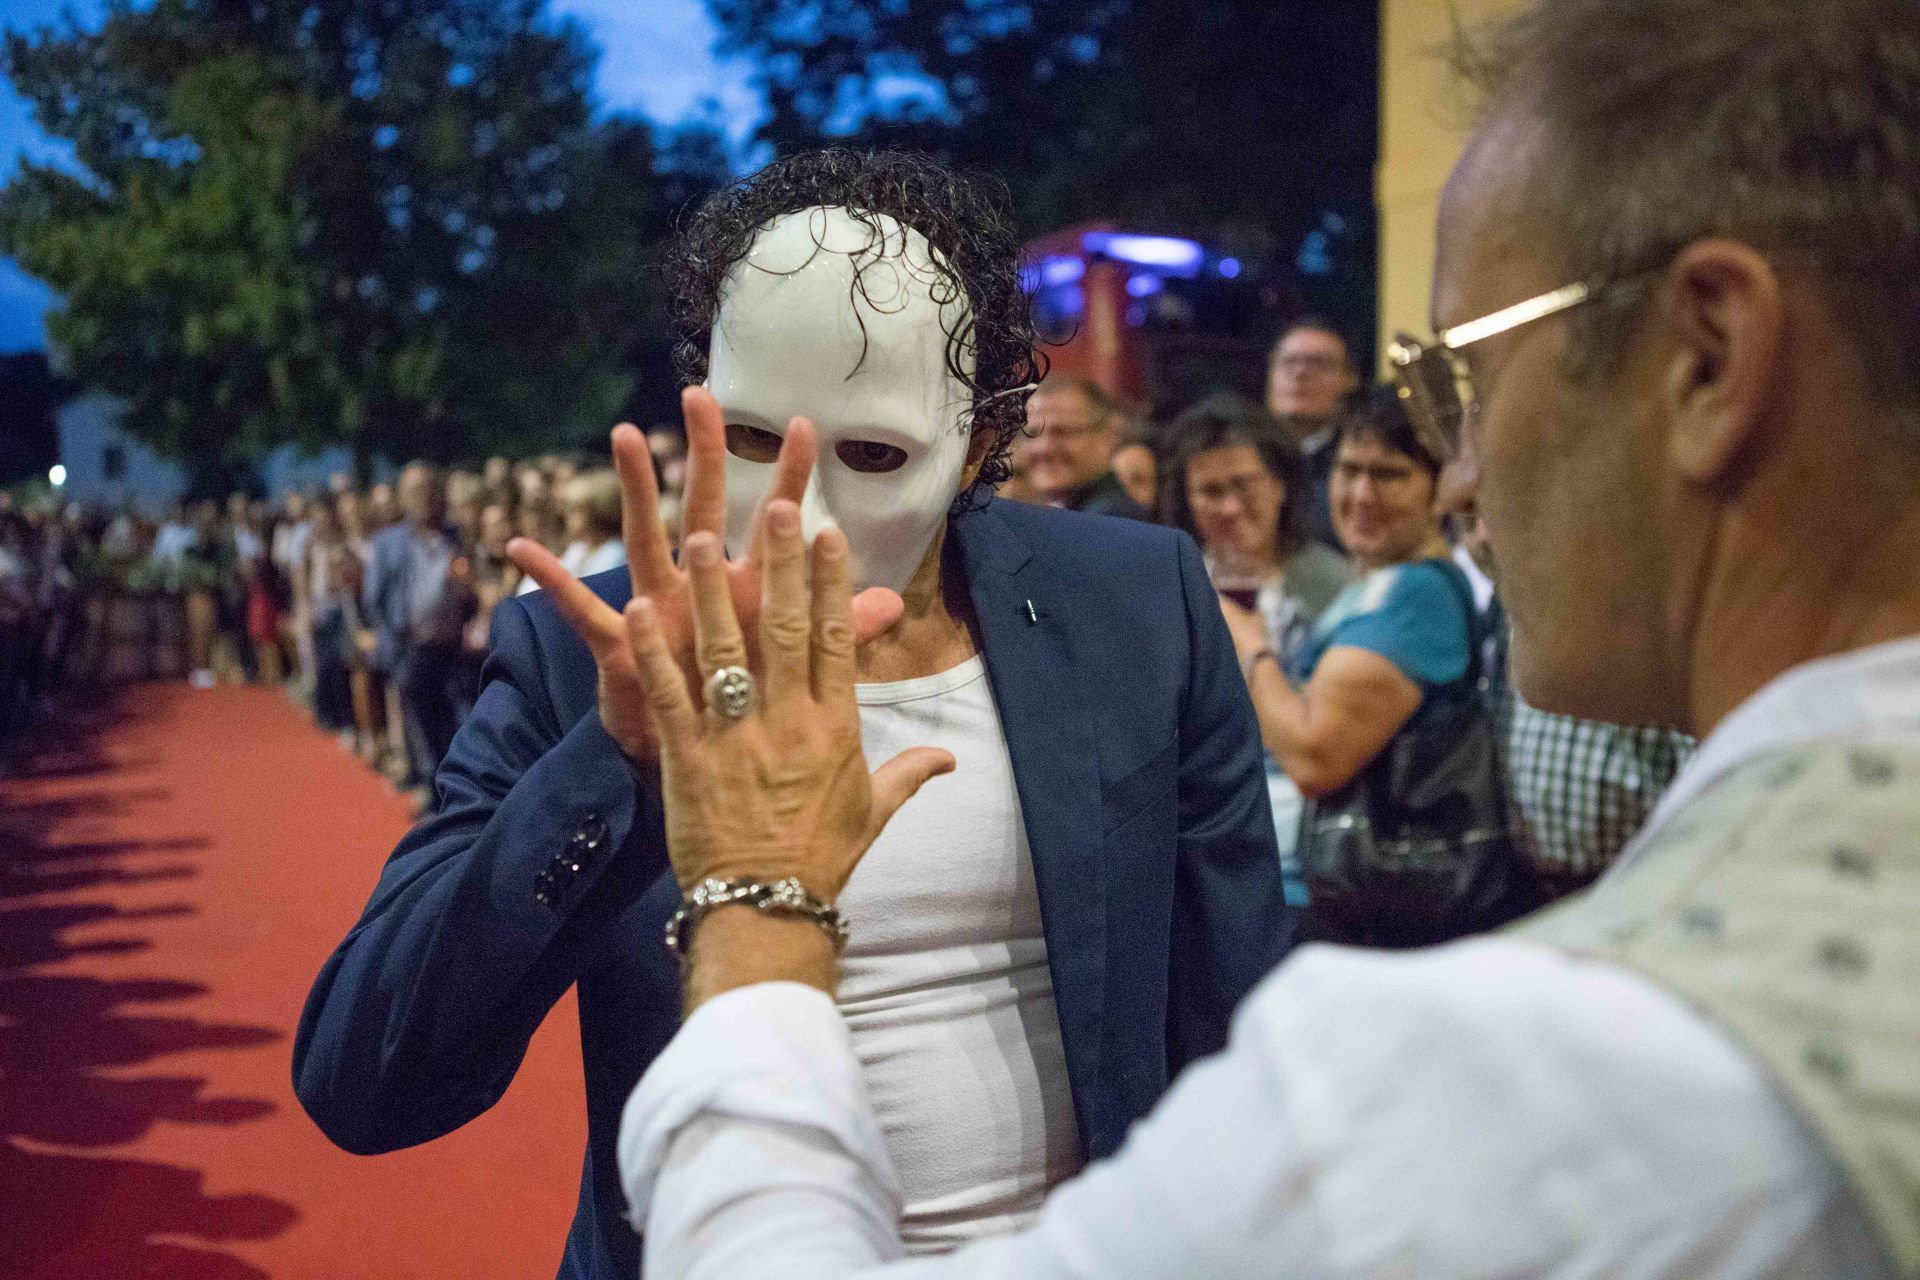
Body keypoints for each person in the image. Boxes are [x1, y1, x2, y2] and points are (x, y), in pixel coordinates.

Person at [616, 0, 1920, 1275]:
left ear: (1708, 355)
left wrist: (758, 904)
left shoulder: (1509, 1094)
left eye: (1459, 379)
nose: (1462, 476)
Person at [295, 149, 1294, 1279]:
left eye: (871, 453)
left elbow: (1234, 1010)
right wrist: (618, 760)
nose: (802, 518)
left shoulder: (1135, 604)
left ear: (980, 436)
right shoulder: (593, 651)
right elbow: (364, 1079)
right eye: (754, 442)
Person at [1437, 450, 1694, 896]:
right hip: (1530, 885)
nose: (1483, 535)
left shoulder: (1637, 612)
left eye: (1499, 508)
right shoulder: (1500, 608)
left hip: (1638, 882)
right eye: (1472, 517)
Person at [1161, 393, 1354, 904]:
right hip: (1192, 837)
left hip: (1308, 844)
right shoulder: (1164, 584)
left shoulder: (1337, 584)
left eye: (1244, 485)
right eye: (1210, 491)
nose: (1229, 507)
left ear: (1283, 485)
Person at [362, 462, 474, 787]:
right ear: (403, 497)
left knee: (459, 725)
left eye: (429, 490)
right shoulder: (388, 543)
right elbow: (374, 600)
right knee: (423, 728)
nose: (423, 498)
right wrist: (391, 651)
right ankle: (433, 790)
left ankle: (458, 791)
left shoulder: (458, 537)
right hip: (412, 649)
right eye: (414, 492)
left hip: (456, 650)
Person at [1266, 319, 1360, 550]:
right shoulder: (1242, 457)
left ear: (1350, 380)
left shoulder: (1358, 464)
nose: (1300, 372)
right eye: (1288, 362)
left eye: (1318, 363)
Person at [1022, 375, 1153, 520]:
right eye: (1032, 433)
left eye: (1062, 432)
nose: (1043, 448)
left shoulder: (1107, 519)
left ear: (1108, 435)